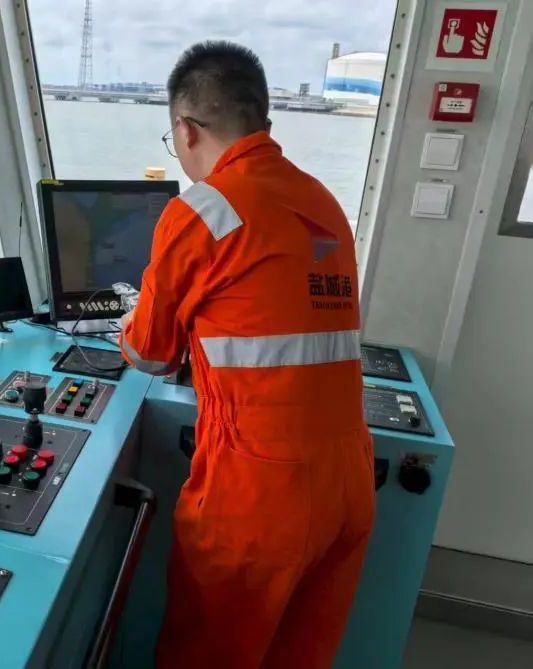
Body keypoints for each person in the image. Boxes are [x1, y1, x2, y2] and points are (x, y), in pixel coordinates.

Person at [119, 41, 375, 668]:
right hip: (348, 480)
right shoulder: (323, 202)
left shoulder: (203, 209)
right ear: (264, 121)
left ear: (185, 129)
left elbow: (149, 354)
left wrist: (126, 321)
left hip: (257, 491)